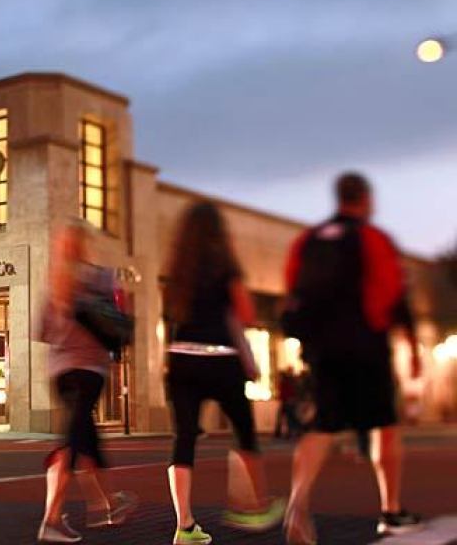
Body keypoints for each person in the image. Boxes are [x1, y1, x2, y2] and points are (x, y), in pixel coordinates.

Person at [282, 172, 422, 543]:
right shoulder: (373, 238)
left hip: (323, 349)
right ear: (365, 199)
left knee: (321, 427)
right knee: (384, 426)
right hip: (364, 345)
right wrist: (409, 344)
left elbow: (293, 289)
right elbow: (393, 292)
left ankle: (298, 502)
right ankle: (391, 510)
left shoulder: (308, 240)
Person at [163, 201, 285, 545]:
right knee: (244, 431)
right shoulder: (224, 265)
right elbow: (245, 313)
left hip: (182, 358)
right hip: (219, 358)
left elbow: (174, 311)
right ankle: (254, 506)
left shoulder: (179, 268)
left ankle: (184, 525)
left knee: (184, 439)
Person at [36, 223, 137, 544]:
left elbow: (42, 330)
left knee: (85, 436)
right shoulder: (99, 277)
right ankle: (52, 518)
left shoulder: (54, 282)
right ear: (84, 245)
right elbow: (119, 322)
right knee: (74, 439)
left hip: (60, 372)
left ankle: (104, 502)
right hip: (89, 368)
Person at [274, 367, 299, 439]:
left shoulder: (287, 382)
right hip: (287, 402)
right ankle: (285, 433)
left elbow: (287, 392)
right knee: (288, 418)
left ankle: (286, 433)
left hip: (287, 402)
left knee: (288, 418)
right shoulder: (289, 381)